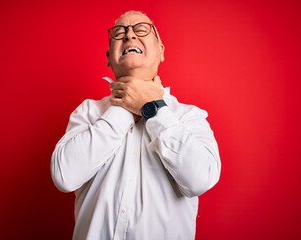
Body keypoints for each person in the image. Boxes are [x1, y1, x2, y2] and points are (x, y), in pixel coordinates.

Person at [51, 10, 221, 240]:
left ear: (161, 51)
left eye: (141, 29)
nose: (129, 36)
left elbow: (200, 179)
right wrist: (125, 107)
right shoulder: (88, 112)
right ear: (109, 56)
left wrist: (153, 108)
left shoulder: (190, 117)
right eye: (119, 32)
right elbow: (64, 176)